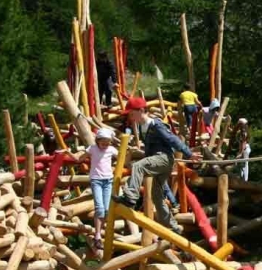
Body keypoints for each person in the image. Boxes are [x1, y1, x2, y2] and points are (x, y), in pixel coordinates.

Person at [114, 96, 199, 233]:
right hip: (158, 160)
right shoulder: (142, 127)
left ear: (141, 110)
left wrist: (188, 153)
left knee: (138, 166)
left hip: (164, 159)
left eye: (132, 114)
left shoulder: (156, 125)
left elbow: (172, 139)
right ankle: (173, 227)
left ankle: (130, 197)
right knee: (157, 196)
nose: (130, 117)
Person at [71, 128, 117, 250]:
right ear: (98, 141)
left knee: (107, 210)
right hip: (96, 180)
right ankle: (97, 236)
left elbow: (123, 157)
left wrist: (129, 152)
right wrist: (67, 153)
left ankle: (103, 234)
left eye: (107, 143)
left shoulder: (111, 150)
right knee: (100, 208)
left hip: (108, 181)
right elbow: (78, 159)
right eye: (103, 143)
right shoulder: (92, 148)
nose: (105, 146)